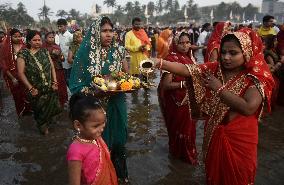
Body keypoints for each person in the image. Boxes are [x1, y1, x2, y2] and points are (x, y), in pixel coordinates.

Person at [154, 28, 274, 185]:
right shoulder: (216, 69)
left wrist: (218, 88)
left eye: (233, 53)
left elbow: (248, 108)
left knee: (239, 177)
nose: (226, 57)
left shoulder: (254, 77)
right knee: (213, 175)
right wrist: (159, 63)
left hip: (241, 139)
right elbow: (188, 70)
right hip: (214, 131)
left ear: (246, 52)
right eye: (223, 52)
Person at [69, 16, 129, 183]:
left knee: (119, 139)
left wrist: (124, 82)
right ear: (96, 32)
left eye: (111, 31)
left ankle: (119, 175)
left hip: (117, 101)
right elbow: (75, 84)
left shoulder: (118, 50)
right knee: (97, 142)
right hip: (94, 105)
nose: (108, 34)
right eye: (104, 31)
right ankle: (98, 176)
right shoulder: (84, 52)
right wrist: (95, 92)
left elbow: (126, 75)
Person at [158, 32, 198, 165]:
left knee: (189, 130)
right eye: (181, 43)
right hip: (177, 103)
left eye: (187, 42)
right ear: (175, 43)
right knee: (179, 131)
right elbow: (166, 85)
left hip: (189, 102)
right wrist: (184, 84)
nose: (185, 45)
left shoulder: (190, 57)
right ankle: (180, 156)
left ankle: (186, 155)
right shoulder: (170, 59)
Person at [67, 93, 118, 185]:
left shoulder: (95, 138)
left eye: (103, 123)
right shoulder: (75, 151)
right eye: (96, 126)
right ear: (78, 125)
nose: (102, 128)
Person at [17, 30, 61, 135]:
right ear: (28, 41)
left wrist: (55, 82)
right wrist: (31, 88)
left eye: (39, 40)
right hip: (35, 90)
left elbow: (51, 67)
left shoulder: (45, 51)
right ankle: (44, 132)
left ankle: (49, 127)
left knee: (54, 108)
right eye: (34, 40)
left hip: (49, 87)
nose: (38, 42)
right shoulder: (23, 54)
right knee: (40, 113)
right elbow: (20, 73)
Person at [0, 28, 30, 116]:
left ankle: (28, 109)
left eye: (19, 36)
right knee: (17, 94)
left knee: (27, 92)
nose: (18, 38)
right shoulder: (5, 48)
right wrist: (12, 78)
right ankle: (20, 110)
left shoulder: (25, 46)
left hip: (25, 74)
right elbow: (4, 65)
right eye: (15, 36)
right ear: (10, 37)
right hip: (13, 75)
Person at [43, 31, 68, 108]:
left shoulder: (57, 46)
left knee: (61, 85)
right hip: (49, 70)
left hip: (59, 69)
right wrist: (52, 54)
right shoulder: (43, 48)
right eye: (49, 37)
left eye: (52, 37)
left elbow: (63, 58)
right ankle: (53, 103)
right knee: (53, 85)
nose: (51, 39)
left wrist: (61, 57)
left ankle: (62, 101)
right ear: (45, 38)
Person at [57, 18, 73, 85]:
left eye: (61, 26)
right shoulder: (59, 35)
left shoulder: (70, 36)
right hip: (62, 61)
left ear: (66, 26)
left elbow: (73, 49)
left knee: (69, 79)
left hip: (69, 62)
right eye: (58, 26)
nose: (59, 28)